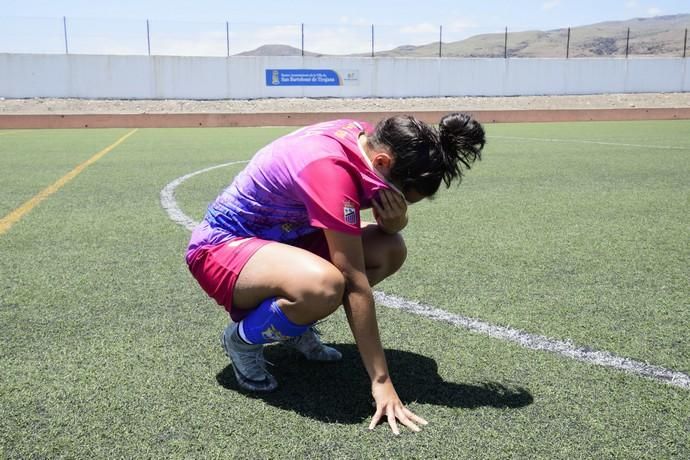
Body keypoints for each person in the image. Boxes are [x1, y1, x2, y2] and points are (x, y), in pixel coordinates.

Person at [185, 112, 486, 434]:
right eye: (399, 195)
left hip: (288, 236)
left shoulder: (369, 138)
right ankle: (242, 340)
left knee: (389, 249)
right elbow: (355, 283)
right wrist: (381, 382)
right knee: (325, 286)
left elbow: (386, 229)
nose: (399, 202)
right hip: (222, 246)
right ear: (382, 163)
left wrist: (397, 220)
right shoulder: (329, 171)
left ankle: (293, 322)